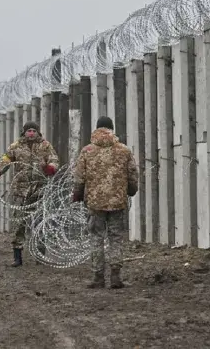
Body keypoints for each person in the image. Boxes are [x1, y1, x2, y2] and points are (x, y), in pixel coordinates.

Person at [72, 117, 138, 289]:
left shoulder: (87, 151)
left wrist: (78, 193)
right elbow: (132, 173)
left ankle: (98, 277)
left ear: (97, 129)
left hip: (94, 202)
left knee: (96, 238)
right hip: (117, 201)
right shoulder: (123, 150)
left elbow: (79, 176)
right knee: (116, 238)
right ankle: (116, 277)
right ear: (112, 129)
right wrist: (131, 189)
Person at [0, 121, 59, 267]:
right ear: (24, 132)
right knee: (18, 224)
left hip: (39, 190)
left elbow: (53, 159)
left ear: (38, 132)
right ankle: (17, 256)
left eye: (34, 130)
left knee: (40, 223)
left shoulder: (45, 146)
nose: (31, 133)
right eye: (29, 131)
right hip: (20, 191)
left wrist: (51, 168)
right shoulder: (16, 147)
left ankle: (40, 255)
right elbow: (6, 160)